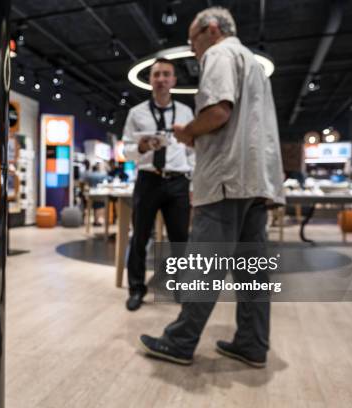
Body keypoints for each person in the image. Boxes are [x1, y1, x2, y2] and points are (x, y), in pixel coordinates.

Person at [139, 7, 284, 367]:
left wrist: (188, 132)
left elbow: (219, 112)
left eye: (193, 40)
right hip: (254, 180)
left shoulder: (220, 54)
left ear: (212, 29)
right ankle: (252, 343)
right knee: (253, 270)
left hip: (225, 178)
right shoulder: (251, 62)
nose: (193, 49)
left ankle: (181, 341)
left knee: (204, 261)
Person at [122, 58, 195, 311]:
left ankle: (180, 288)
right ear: (150, 80)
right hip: (148, 179)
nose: (161, 79)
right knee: (139, 237)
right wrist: (140, 146)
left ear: (174, 80)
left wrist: (193, 182)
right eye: (157, 75)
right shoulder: (136, 113)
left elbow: (192, 151)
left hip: (178, 182)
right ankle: (136, 289)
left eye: (166, 74)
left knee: (180, 240)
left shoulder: (186, 113)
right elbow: (127, 150)